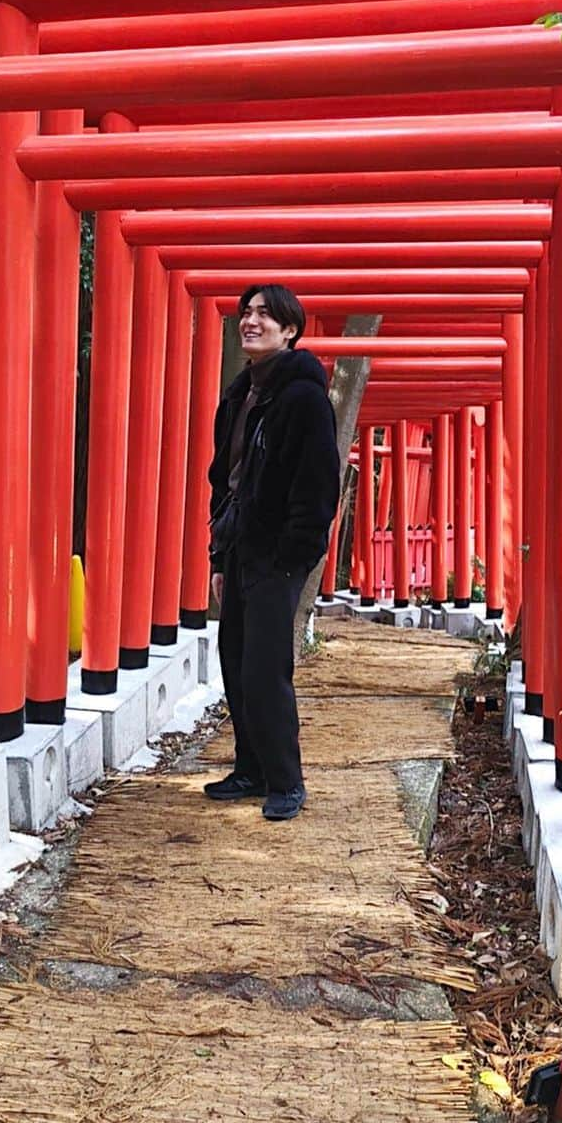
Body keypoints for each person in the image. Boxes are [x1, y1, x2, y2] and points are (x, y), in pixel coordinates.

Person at [205, 284, 340, 821]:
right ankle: (250, 768)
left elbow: (318, 487)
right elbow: (224, 480)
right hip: (239, 547)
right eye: (247, 312)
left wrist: (292, 555)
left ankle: (286, 779)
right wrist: (219, 558)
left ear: (290, 331)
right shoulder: (241, 396)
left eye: (265, 314)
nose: (250, 320)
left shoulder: (303, 398)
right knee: (235, 659)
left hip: (275, 555)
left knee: (265, 667)